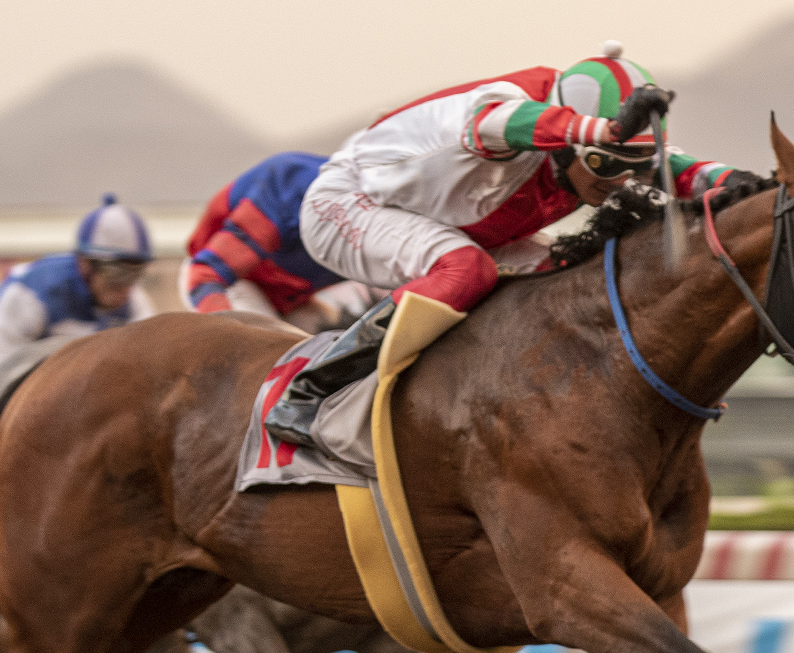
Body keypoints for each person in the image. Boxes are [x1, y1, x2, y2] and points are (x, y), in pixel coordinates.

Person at [264, 40, 758, 447]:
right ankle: (311, 388)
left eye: (633, 166)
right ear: (566, 145)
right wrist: (603, 130)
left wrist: (749, 186)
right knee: (466, 270)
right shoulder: (505, 107)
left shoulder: (600, 147)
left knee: (572, 277)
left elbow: (686, 170)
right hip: (349, 203)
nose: (619, 182)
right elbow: (499, 123)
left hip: (455, 222)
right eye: (606, 163)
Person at [0, 194, 155, 412]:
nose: (126, 286)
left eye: (136, 273)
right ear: (86, 264)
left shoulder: (134, 300)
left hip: (32, 370)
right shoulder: (33, 292)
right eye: (118, 273)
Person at [182, 151, 378, 333]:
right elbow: (204, 274)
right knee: (266, 345)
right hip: (230, 279)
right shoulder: (283, 193)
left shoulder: (380, 219)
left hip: (290, 299)